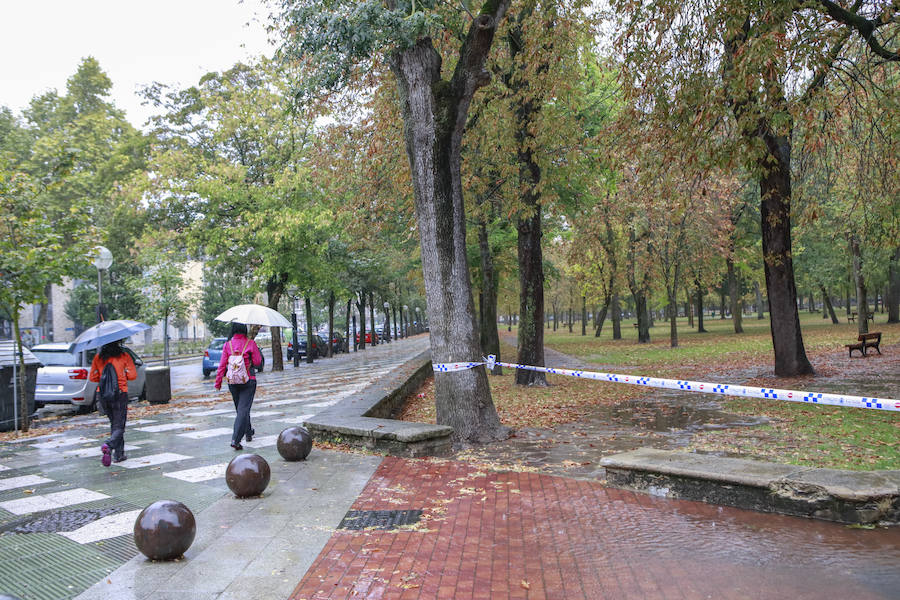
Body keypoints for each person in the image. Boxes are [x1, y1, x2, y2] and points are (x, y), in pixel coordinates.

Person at [214, 322, 263, 450]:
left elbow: (222, 365)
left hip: (233, 383)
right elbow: (258, 362)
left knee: (241, 409)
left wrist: (218, 382)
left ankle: (248, 432)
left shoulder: (227, 345)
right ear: (244, 330)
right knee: (243, 409)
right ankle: (235, 439)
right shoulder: (250, 343)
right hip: (248, 381)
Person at [89, 340, 136, 466]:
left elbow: (92, 378)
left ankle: (119, 455)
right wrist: (124, 373)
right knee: (120, 425)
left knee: (114, 424)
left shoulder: (98, 358)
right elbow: (132, 375)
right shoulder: (124, 356)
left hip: (103, 394)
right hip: (120, 393)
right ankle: (108, 445)